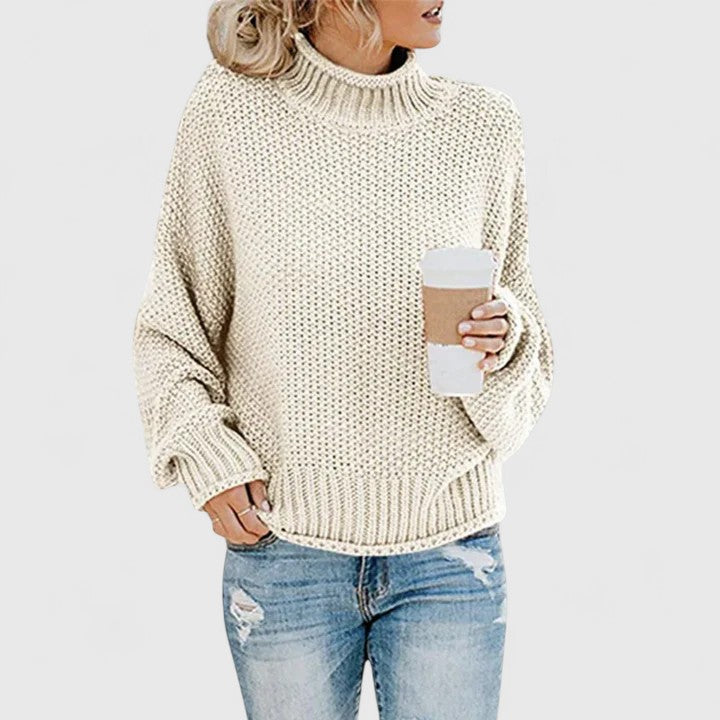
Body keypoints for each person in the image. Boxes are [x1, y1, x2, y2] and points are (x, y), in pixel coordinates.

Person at [131, 1, 554, 717]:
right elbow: (173, 322)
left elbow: (529, 356)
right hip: (285, 553)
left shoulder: (483, 126)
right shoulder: (229, 112)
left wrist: (502, 340)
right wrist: (204, 452)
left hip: (451, 557)